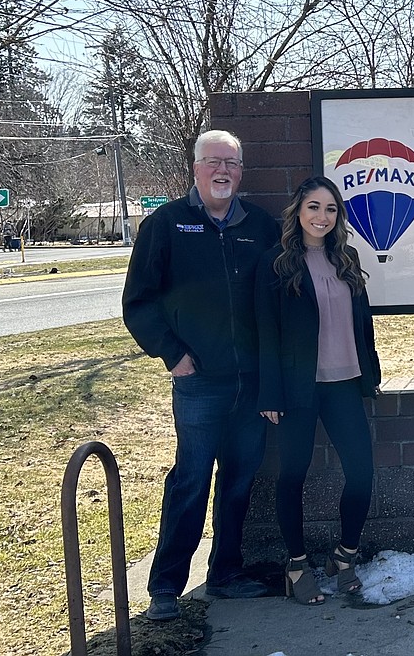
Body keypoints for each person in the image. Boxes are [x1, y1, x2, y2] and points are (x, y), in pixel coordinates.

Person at [122, 130, 280, 622]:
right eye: (214, 162)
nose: (223, 171)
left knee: (238, 482)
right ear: (195, 168)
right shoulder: (166, 225)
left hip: (251, 382)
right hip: (199, 382)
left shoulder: (260, 226)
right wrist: (173, 355)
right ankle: (166, 587)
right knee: (190, 480)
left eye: (232, 163)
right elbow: (139, 302)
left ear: (240, 171)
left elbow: (278, 301)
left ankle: (225, 574)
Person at [254, 175, 381, 605]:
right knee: (293, 475)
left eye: (330, 209)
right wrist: (269, 392)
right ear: (298, 211)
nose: (321, 217)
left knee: (361, 473)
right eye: (313, 207)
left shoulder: (347, 258)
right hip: (296, 389)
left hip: (343, 384)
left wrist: (371, 372)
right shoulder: (276, 263)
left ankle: (344, 557)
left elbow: (363, 323)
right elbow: (265, 334)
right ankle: (296, 564)